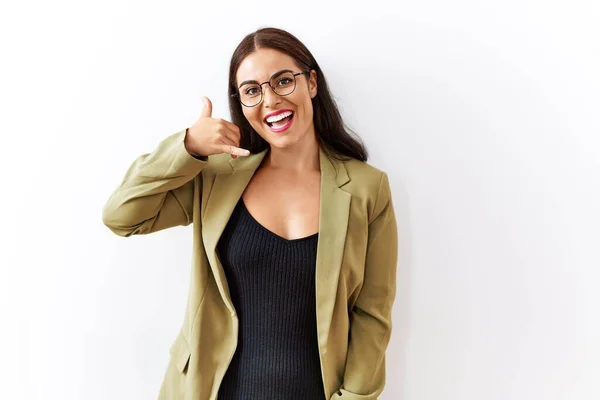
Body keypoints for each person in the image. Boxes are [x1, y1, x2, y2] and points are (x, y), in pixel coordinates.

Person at [102, 26, 398, 400]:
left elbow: (372, 315)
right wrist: (188, 146)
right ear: (240, 103)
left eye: (283, 81)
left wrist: (354, 397)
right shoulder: (216, 178)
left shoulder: (366, 189)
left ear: (311, 83)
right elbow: (122, 215)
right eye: (252, 90)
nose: (270, 100)